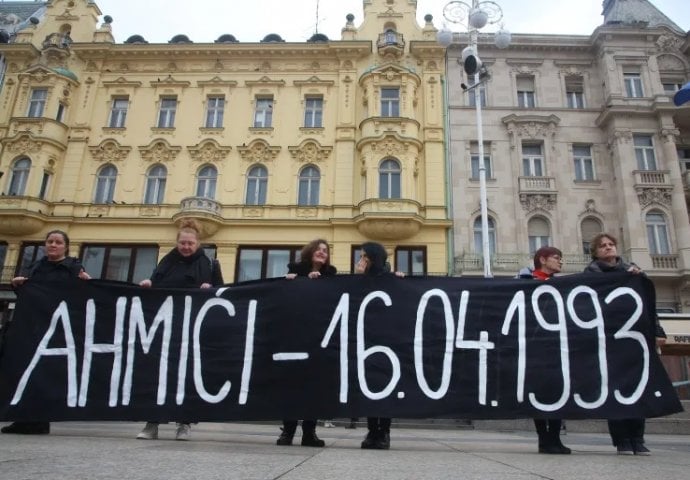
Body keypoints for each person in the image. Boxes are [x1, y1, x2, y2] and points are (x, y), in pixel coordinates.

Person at [136, 219, 223, 441]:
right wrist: (148, 284)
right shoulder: (166, 263)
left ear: (197, 243)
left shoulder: (209, 264)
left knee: (187, 376)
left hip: (193, 329)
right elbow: (156, 284)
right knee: (159, 375)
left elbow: (222, 292)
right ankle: (151, 423)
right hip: (166, 329)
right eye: (182, 243)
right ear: (177, 242)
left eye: (190, 243)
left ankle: (184, 423)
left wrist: (210, 289)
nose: (186, 247)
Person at [1, 230, 91, 435]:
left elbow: (81, 296)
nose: (53, 245)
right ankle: (23, 418)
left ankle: (40, 419)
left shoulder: (73, 267)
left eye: (58, 242)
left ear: (65, 246)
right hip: (34, 328)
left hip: (57, 329)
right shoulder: (36, 266)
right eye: (50, 241)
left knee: (47, 373)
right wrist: (19, 286)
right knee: (27, 371)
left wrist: (87, 283)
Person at [584, 233, 666, 456]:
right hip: (608, 341)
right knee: (615, 390)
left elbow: (647, 305)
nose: (608, 248)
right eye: (603, 246)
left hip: (633, 340)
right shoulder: (591, 275)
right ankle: (621, 440)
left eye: (611, 245)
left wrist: (657, 330)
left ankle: (637, 438)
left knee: (637, 388)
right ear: (595, 252)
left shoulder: (633, 272)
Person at [276, 239, 336, 448]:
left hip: (319, 338)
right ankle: (288, 431)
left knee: (314, 387)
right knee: (292, 385)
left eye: (325, 251)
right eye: (318, 250)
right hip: (295, 337)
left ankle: (309, 433)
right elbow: (284, 298)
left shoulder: (331, 275)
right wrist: (297, 280)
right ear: (310, 252)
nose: (322, 253)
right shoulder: (294, 271)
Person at [517, 246, 571, 454]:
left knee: (559, 391)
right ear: (543, 259)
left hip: (557, 347)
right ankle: (544, 439)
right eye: (557, 258)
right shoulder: (524, 281)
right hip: (534, 347)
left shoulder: (563, 285)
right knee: (538, 393)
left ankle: (555, 438)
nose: (560, 262)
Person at [355, 242, 404, 450]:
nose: (360, 260)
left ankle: (383, 432)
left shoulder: (389, 278)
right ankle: (371, 430)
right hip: (366, 339)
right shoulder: (359, 279)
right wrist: (359, 278)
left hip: (387, 339)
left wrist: (400, 281)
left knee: (385, 386)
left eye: (364, 256)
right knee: (369, 385)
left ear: (373, 258)